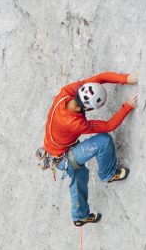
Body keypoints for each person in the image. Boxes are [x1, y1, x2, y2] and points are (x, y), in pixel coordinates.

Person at [43, 71, 138, 227]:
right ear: (87, 108)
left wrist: (126, 79)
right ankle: (108, 174)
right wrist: (127, 106)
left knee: (79, 176)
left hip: (56, 152)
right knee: (103, 141)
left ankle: (80, 216)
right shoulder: (74, 122)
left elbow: (99, 78)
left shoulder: (66, 92)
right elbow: (108, 126)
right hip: (63, 157)